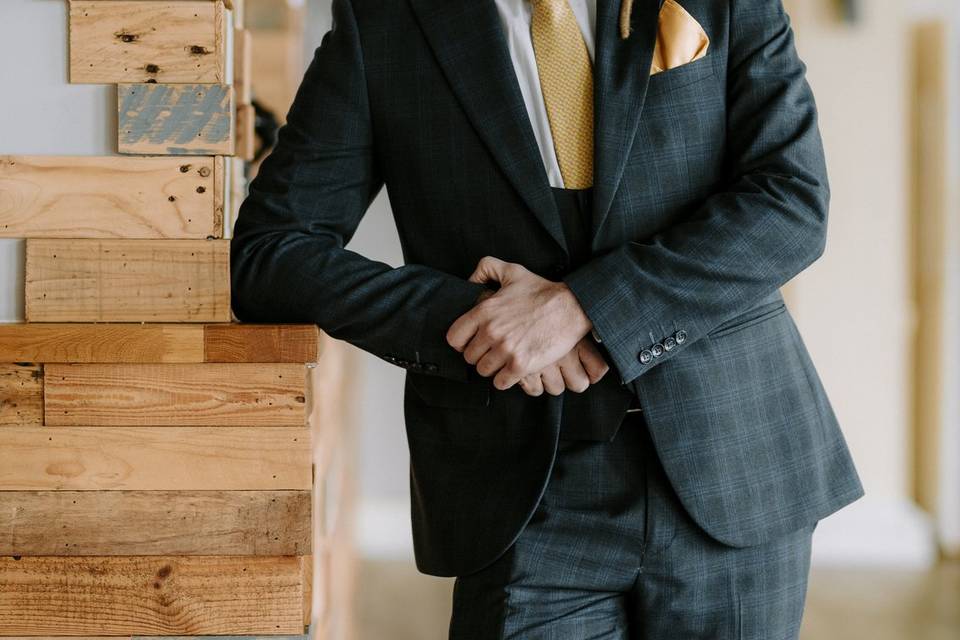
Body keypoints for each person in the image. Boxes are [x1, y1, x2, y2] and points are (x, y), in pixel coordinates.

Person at [230, 0, 865, 637]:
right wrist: (476, 323)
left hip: (736, 462)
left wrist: (581, 306)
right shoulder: (387, 20)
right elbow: (271, 252)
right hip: (523, 493)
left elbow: (791, 199)